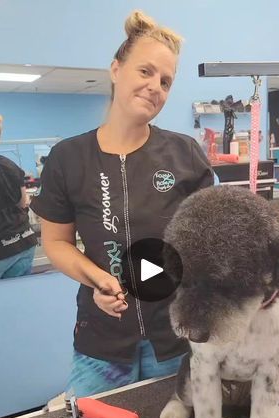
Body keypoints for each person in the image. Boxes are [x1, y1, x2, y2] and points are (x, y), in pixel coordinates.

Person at [30, 10, 214, 397]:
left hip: (177, 339)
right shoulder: (68, 158)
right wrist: (96, 278)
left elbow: (206, 242)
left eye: (165, 81)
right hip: (101, 347)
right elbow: (56, 242)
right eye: (145, 71)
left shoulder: (185, 154)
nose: (155, 87)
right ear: (116, 69)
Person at [0, 115, 37, 279]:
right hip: (24, 241)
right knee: (18, 294)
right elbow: (23, 202)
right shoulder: (9, 165)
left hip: (2, 249)